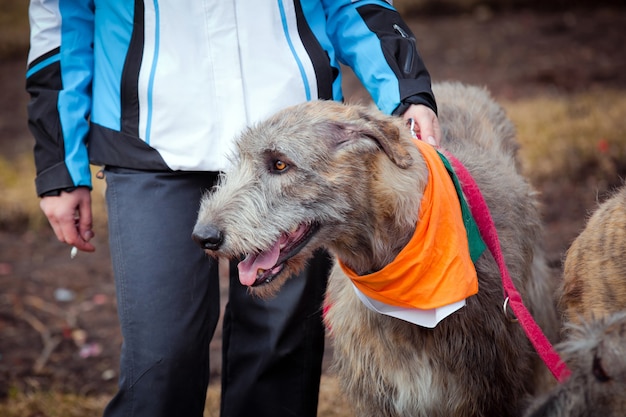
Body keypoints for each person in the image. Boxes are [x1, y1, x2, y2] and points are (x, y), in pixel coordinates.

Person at [26, 1, 440, 416]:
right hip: (150, 141)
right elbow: (63, 15)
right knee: (161, 358)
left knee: (278, 357)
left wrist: (405, 92)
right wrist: (60, 163)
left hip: (297, 144)